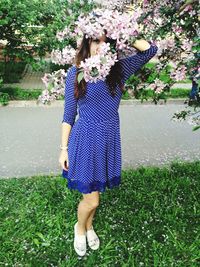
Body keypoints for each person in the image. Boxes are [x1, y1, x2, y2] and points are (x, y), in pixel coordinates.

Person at [59, 33, 158, 256]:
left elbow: (150, 50)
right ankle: (79, 228)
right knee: (92, 199)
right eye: (96, 40)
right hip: (84, 140)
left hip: (108, 138)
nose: (100, 46)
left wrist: (122, 30)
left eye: (106, 42)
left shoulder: (118, 70)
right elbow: (68, 115)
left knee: (96, 192)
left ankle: (89, 226)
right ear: (86, 43)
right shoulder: (76, 73)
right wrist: (63, 149)